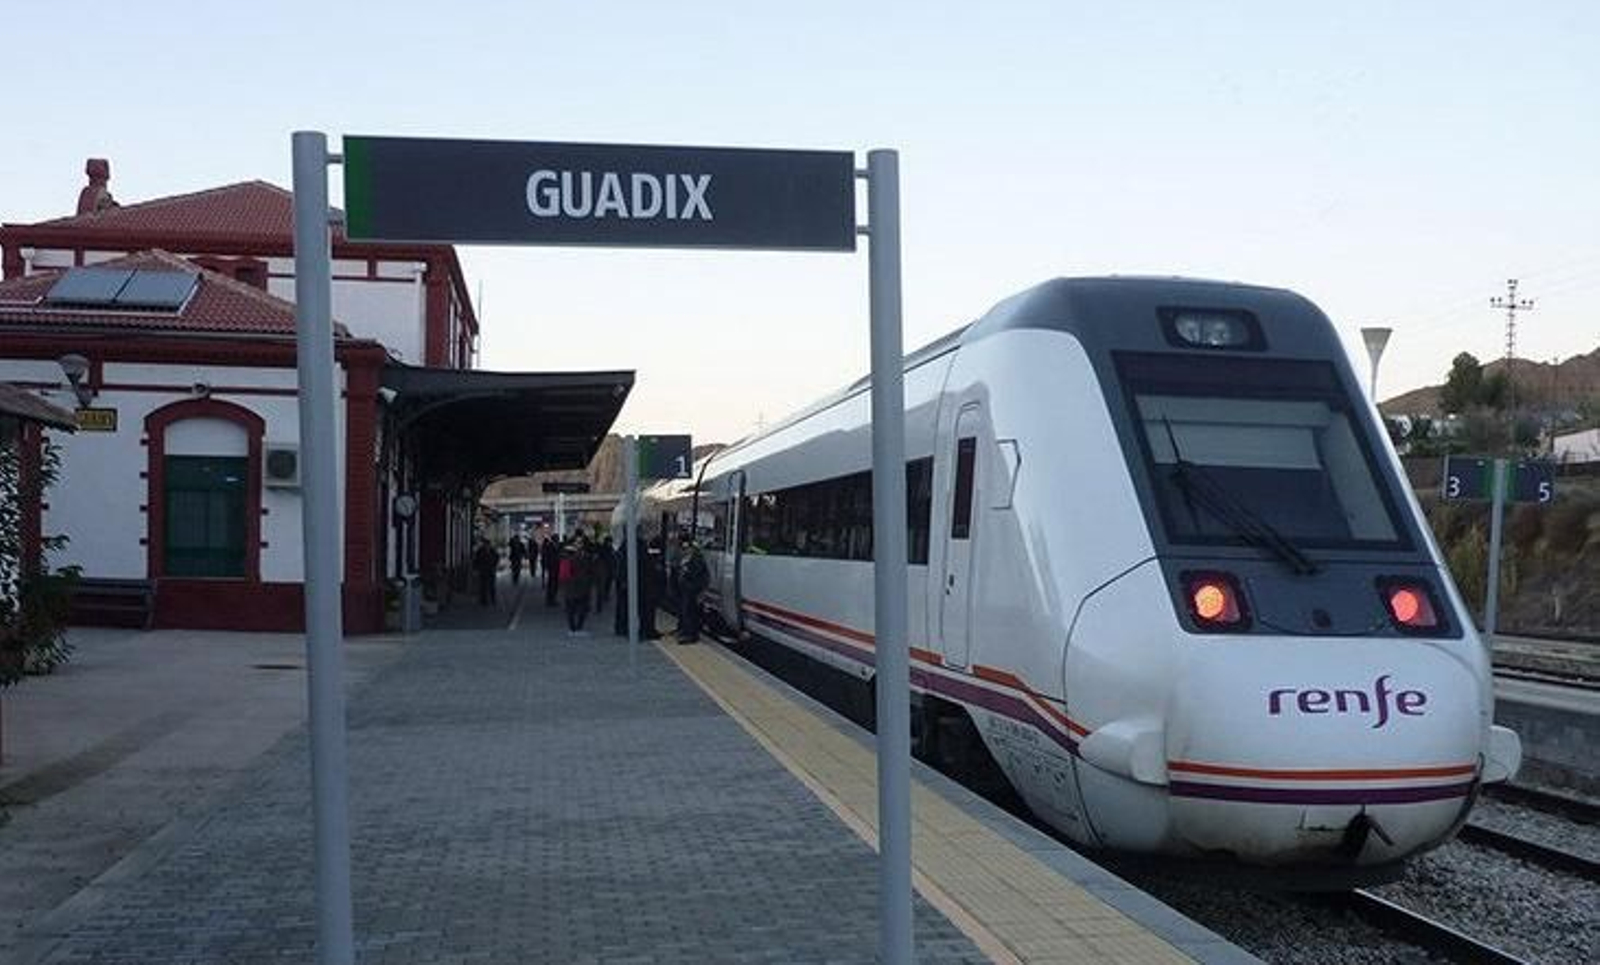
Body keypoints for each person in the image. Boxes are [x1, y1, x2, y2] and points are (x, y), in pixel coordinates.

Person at [675, 539, 710, 643]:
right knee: (685, 611)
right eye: (683, 548)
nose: (684, 550)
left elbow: (699, 576)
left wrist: (699, 591)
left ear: (692, 548)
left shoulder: (697, 558)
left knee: (690, 612)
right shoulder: (686, 558)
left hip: (693, 590)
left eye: (686, 548)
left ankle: (691, 635)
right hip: (686, 589)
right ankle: (684, 631)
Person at [561, 536, 595, 634]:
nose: (579, 545)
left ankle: (576, 627)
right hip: (575, 586)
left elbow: (591, 570)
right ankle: (574, 627)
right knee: (574, 609)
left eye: (581, 543)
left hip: (580, 586)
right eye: (578, 542)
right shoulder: (569, 555)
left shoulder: (585, 555)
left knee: (579, 608)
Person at [472, 537, 499, 606]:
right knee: (483, 586)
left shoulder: (492, 551)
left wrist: (494, 565)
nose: (486, 546)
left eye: (487, 544)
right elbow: (476, 560)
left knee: (491, 586)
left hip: (491, 570)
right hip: (483, 570)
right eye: (485, 544)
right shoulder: (480, 551)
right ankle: (483, 600)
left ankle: (493, 599)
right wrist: (476, 568)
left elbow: (496, 558)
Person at [595, 534, 614, 613]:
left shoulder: (606, 548)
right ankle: (599, 604)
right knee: (601, 588)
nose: (610, 543)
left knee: (605, 585)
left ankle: (604, 597)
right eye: (610, 541)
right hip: (604, 570)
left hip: (605, 570)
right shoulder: (605, 549)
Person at [541, 534, 561, 607]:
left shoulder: (557, 546)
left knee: (555, 584)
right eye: (557, 538)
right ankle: (550, 600)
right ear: (554, 539)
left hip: (556, 567)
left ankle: (553, 599)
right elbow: (547, 556)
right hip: (552, 567)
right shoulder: (550, 546)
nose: (558, 539)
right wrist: (547, 566)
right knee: (552, 584)